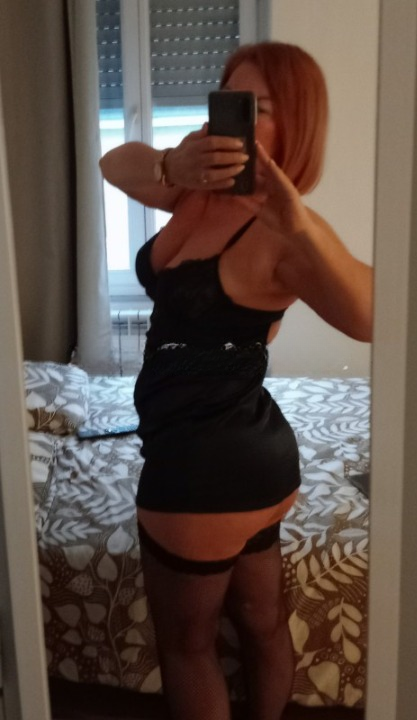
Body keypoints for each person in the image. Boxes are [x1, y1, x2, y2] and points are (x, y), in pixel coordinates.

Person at [99, 41, 373, 720]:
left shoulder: (285, 234)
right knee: (259, 617)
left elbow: (373, 317)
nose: (232, 118)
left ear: (296, 126)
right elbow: (113, 163)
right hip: (251, 457)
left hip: (201, 468)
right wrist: (171, 162)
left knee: (187, 646)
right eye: (229, 99)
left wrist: (300, 224)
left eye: (260, 108)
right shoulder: (195, 188)